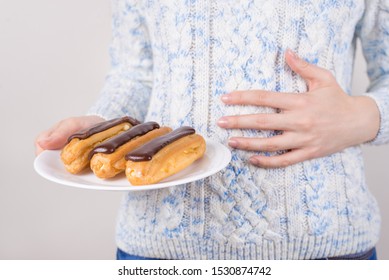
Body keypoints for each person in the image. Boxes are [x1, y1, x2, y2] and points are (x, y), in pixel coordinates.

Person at [35, 0, 388, 260]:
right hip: (160, 247)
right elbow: (136, 73)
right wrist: (104, 125)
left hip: (325, 248)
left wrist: (362, 116)